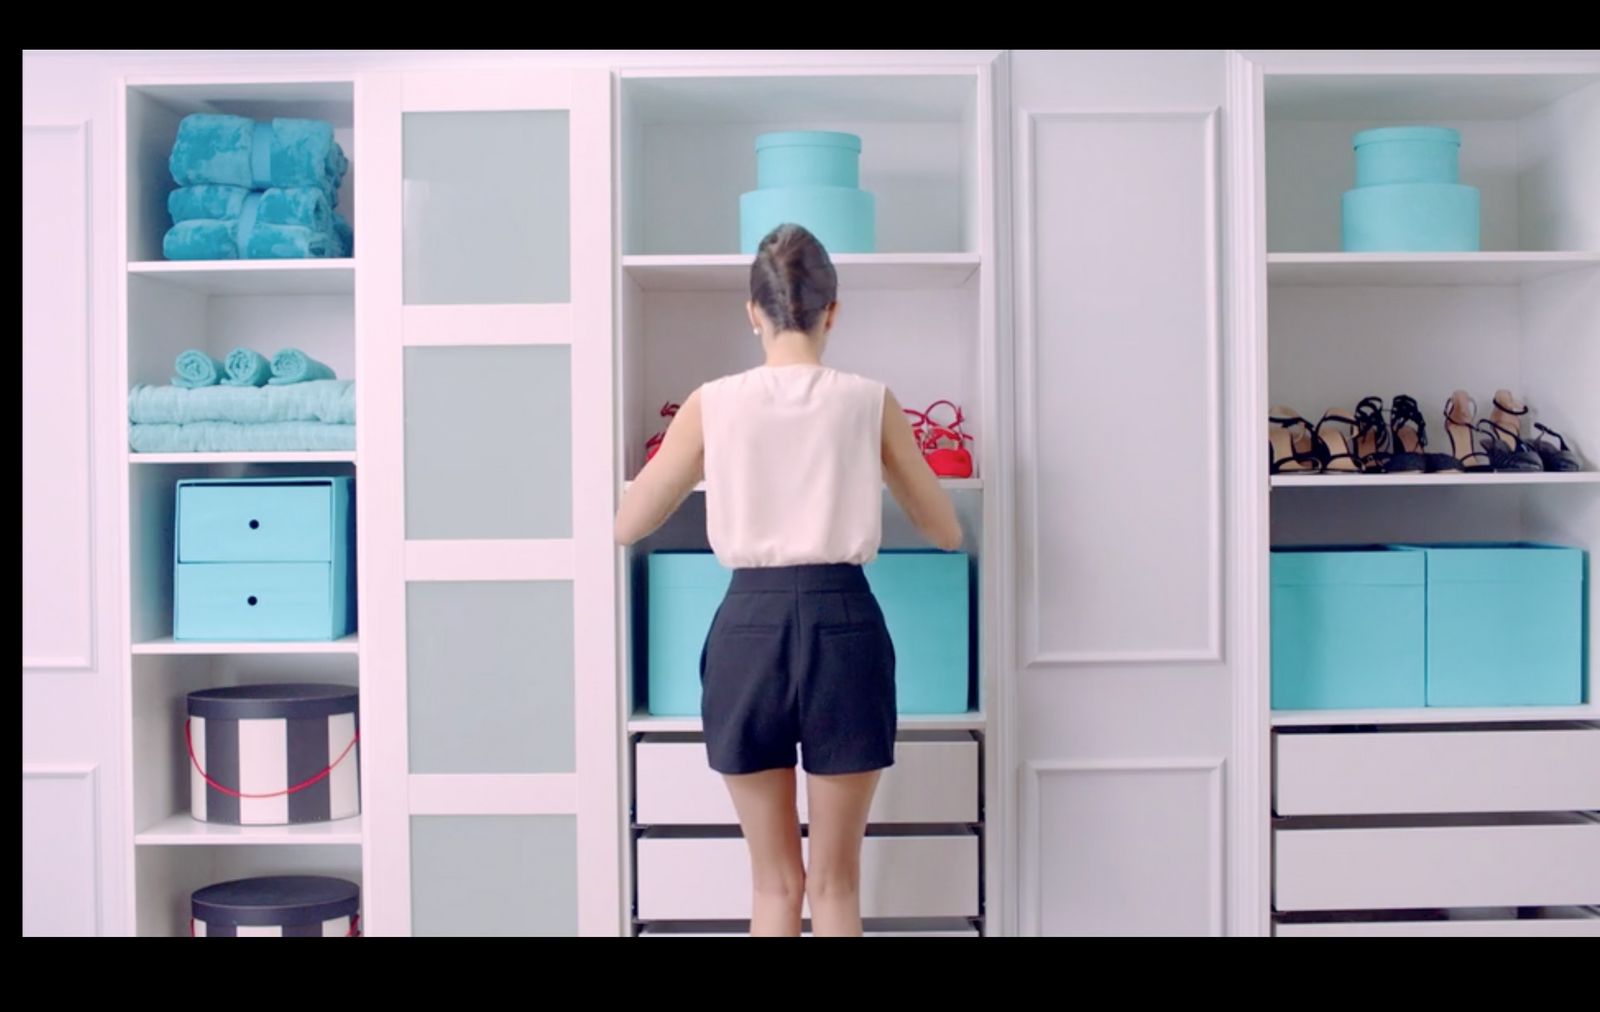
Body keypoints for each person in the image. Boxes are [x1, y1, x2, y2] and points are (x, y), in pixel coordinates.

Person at [615, 223, 963, 937]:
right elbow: (946, 530)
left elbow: (629, 523)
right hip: (846, 625)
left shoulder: (712, 402)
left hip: (747, 629)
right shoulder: (870, 400)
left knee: (774, 885)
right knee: (835, 886)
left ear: (753, 312)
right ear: (833, 311)